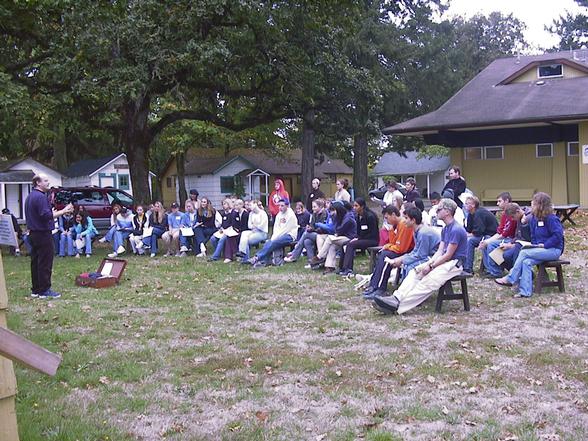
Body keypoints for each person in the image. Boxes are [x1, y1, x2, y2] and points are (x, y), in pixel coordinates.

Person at [372, 198, 467, 315]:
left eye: (439, 209)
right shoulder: (445, 229)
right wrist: (429, 264)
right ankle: (396, 298)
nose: (436, 211)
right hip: (442, 261)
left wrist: (431, 267)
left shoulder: (456, 229)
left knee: (428, 282)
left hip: (454, 264)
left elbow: (448, 255)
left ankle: (398, 307)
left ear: (447, 212)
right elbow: (440, 251)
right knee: (415, 271)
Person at [495, 192, 564, 298]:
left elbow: (558, 236)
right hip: (540, 249)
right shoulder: (534, 219)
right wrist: (535, 245)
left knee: (524, 252)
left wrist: (545, 245)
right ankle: (525, 291)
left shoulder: (552, 219)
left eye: (534, 203)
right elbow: (533, 236)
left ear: (540, 205)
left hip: (553, 250)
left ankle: (511, 278)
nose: (531, 205)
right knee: (526, 262)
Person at [365, 206, 440, 299]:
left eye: (406, 218)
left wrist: (401, 260)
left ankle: (406, 294)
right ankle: (375, 286)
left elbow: (418, 253)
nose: (404, 220)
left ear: (413, 220)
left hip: (433, 258)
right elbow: (413, 250)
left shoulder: (423, 233)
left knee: (407, 265)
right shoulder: (416, 231)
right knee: (386, 255)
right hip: (420, 254)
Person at [24, 175, 73, 298]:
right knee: (45, 262)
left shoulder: (30, 196)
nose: (48, 182)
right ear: (38, 182)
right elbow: (46, 216)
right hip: (42, 233)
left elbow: (40, 214)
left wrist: (53, 212)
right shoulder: (41, 197)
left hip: (33, 233)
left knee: (36, 262)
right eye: (45, 181)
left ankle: (36, 289)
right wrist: (63, 211)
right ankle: (44, 290)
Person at [362, 205, 415, 298]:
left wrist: (388, 246)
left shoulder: (404, 225)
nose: (386, 221)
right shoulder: (395, 226)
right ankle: (374, 285)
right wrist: (390, 230)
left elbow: (401, 248)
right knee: (383, 254)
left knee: (386, 256)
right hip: (400, 250)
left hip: (408, 252)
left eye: (387, 218)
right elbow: (393, 242)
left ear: (393, 215)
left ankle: (380, 288)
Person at [484, 203, 530, 277]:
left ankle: (517, 274)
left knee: (506, 255)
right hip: (516, 242)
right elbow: (517, 236)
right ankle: (515, 271)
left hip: (524, 245)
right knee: (496, 254)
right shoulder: (519, 218)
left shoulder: (527, 219)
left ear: (518, 212)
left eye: (512, 217)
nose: (512, 219)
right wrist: (510, 243)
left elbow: (526, 239)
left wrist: (511, 245)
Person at [248, 199, 298, 268]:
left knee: (274, 242)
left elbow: (286, 229)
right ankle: (263, 260)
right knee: (269, 242)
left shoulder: (290, 215)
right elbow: (276, 228)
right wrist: (273, 238)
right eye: (279, 206)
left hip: (290, 235)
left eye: (282, 206)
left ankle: (257, 257)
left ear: (287, 206)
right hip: (279, 235)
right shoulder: (279, 215)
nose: (280, 207)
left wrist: (275, 238)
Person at [311, 201, 357, 274]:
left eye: (333, 210)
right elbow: (335, 229)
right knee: (332, 245)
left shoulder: (348, 218)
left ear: (338, 210)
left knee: (329, 238)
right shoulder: (339, 216)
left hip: (349, 238)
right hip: (341, 237)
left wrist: (334, 222)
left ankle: (320, 257)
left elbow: (339, 230)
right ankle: (330, 267)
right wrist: (333, 218)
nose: (332, 212)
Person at [337, 197, 379, 276]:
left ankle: (348, 269)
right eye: (353, 206)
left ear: (362, 206)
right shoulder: (358, 216)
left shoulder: (370, 216)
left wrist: (359, 239)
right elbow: (359, 231)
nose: (354, 208)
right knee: (344, 243)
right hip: (362, 239)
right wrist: (356, 238)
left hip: (372, 240)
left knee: (351, 245)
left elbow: (373, 233)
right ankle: (341, 267)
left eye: (356, 206)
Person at [479, 192, 517, 275]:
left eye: (500, 201)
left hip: (512, 239)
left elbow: (504, 234)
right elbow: (499, 232)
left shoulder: (512, 213)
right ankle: (489, 269)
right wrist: (486, 241)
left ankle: (496, 272)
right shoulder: (504, 214)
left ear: (506, 201)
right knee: (485, 242)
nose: (497, 204)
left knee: (491, 245)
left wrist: (489, 242)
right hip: (504, 238)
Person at [284, 198, 328, 266]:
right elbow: (312, 225)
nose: (313, 208)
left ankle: (294, 255)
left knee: (305, 234)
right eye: (312, 207)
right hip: (315, 234)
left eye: (315, 207)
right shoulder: (314, 214)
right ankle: (312, 263)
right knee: (306, 241)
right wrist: (309, 228)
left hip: (322, 235)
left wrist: (312, 229)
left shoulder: (324, 214)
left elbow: (322, 229)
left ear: (320, 207)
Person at [463, 195, 498, 274]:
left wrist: (468, 235)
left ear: (473, 205)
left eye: (467, 203)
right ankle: (466, 266)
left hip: (491, 235)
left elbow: (478, 232)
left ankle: (468, 268)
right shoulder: (471, 214)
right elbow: (469, 229)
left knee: (470, 241)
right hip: (483, 234)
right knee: (467, 240)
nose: (465, 205)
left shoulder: (479, 213)